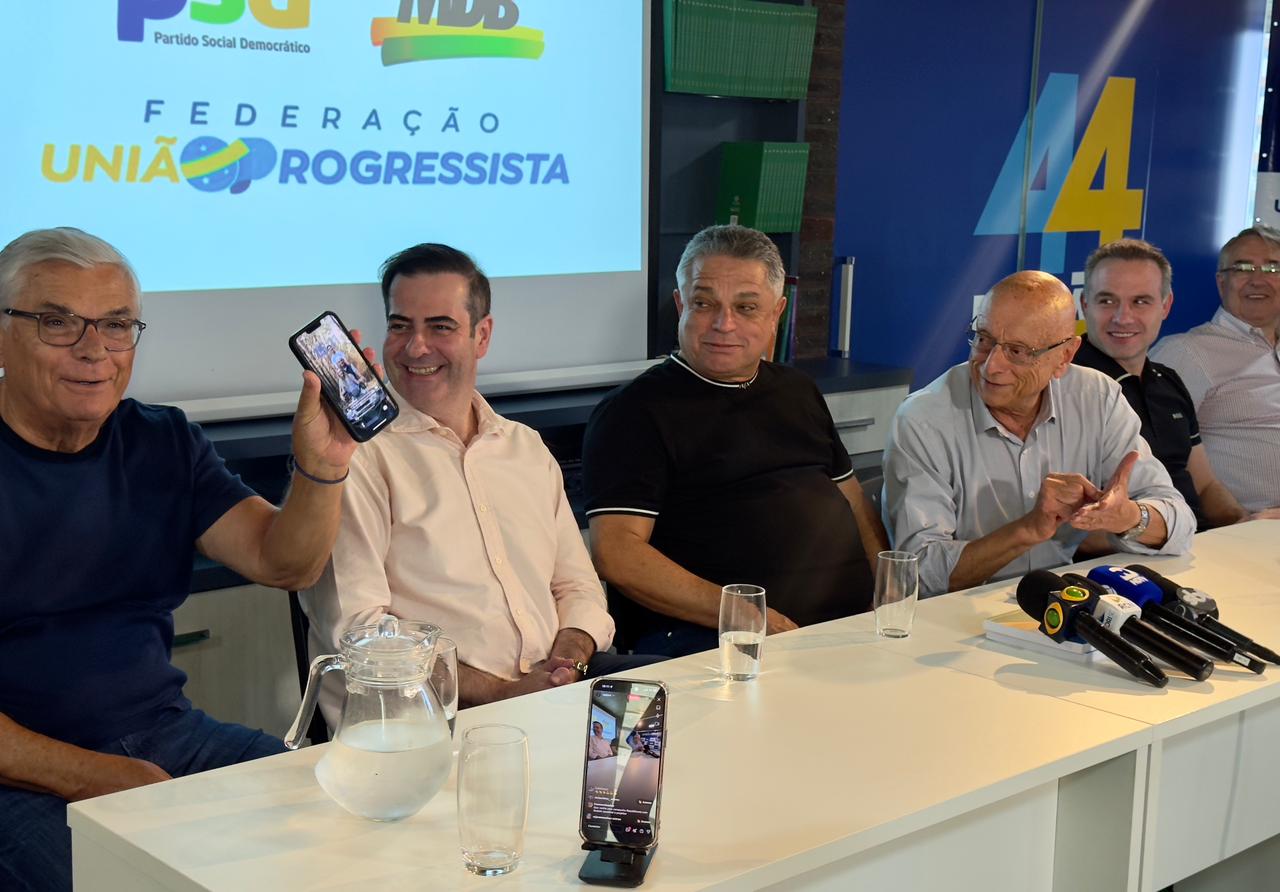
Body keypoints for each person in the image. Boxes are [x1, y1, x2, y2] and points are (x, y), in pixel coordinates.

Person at [0, 228, 361, 892]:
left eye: (116, 325)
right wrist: (97, 776)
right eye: (58, 322)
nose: (94, 350)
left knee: (349, 825)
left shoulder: (160, 439)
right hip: (18, 772)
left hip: (165, 735)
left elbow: (285, 563)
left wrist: (323, 466)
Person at [302, 243, 644, 724]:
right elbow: (359, 633)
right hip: (429, 721)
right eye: (400, 326)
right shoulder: (355, 458)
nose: (415, 347)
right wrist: (506, 693)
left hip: (557, 692)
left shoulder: (524, 448)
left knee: (686, 715)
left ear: (482, 336)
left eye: (440, 327)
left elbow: (577, 585)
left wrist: (568, 661)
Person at [582, 224, 888, 657]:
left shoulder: (797, 390)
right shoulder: (633, 411)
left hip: (846, 631)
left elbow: (854, 502)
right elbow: (617, 553)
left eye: (746, 307)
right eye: (704, 303)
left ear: (776, 313)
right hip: (719, 642)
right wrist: (749, 617)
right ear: (680, 305)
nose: (724, 324)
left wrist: (886, 592)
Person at [882, 269, 1194, 597]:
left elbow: (1180, 525)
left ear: (1065, 356)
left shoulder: (1097, 398)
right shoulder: (924, 419)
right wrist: (1028, 530)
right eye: (984, 339)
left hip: (1062, 600)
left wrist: (1127, 517)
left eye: (1018, 351)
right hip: (956, 612)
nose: (991, 366)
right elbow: (918, 573)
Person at [1075, 238, 1277, 528]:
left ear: (1165, 306)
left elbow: (1205, 486)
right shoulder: (1063, 385)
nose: (1123, 318)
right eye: (1107, 301)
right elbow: (1077, 528)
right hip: (1127, 548)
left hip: (1196, 541)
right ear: (1084, 304)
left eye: (1140, 302)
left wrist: (1244, 525)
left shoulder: (1167, 381)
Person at [1149, 226, 1280, 514]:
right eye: (1243, 268)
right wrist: (1237, 521)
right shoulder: (1187, 352)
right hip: (1248, 526)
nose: (1258, 280)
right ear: (1222, 283)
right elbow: (1149, 454)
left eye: (1273, 268)